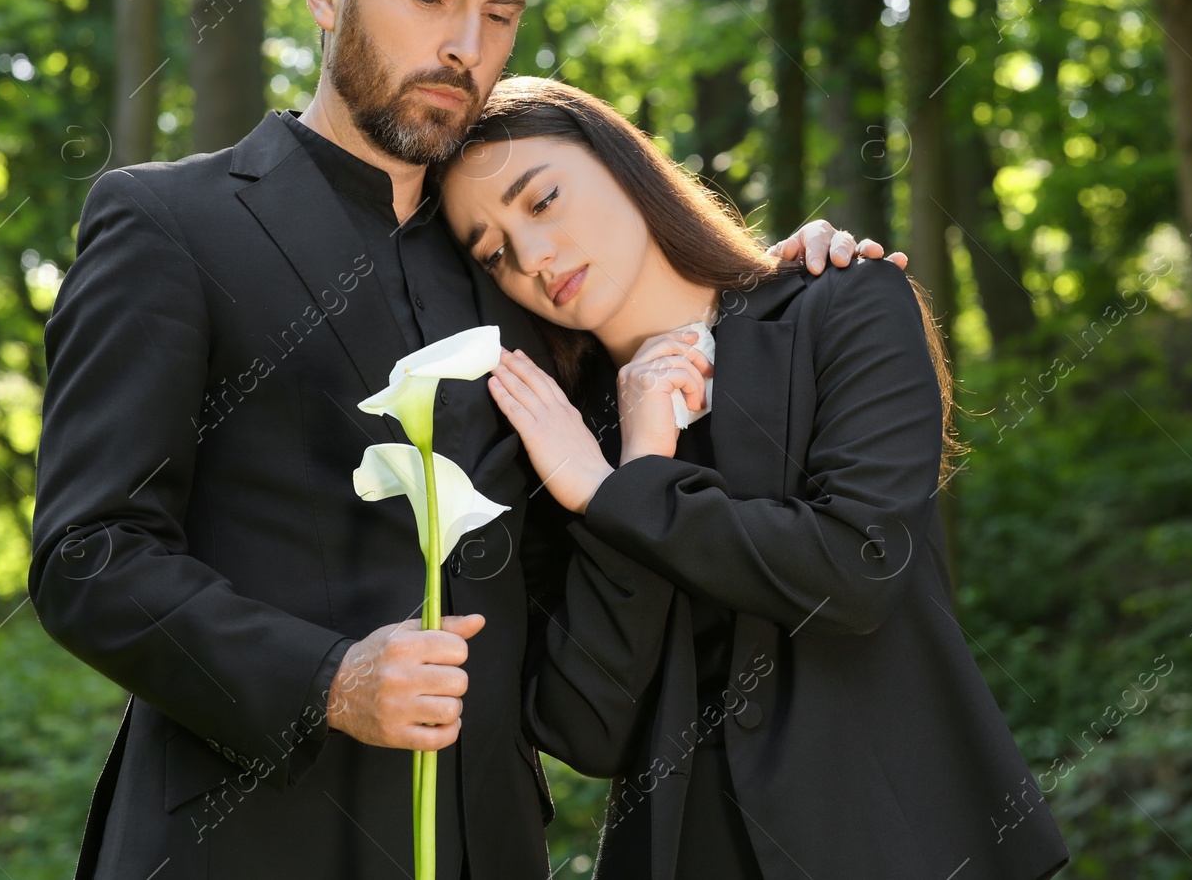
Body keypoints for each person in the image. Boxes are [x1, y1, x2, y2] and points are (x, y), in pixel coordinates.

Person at [28, 0, 884, 880]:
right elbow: (88, 553)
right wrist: (328, 678)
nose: (464, 46)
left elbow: (583, 681)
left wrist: (781, 289)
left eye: (498, 15)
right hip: (240, 841)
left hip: (489, 843)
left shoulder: (521, 276)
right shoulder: (170, 221)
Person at [433, 77, 1072, 880]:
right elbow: (584, 727)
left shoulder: (842, 305)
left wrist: (619, 492)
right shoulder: (552, 436)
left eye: (542, 200)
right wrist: (622, 465)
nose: (532, 257)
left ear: (621, 160)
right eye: (494, 251)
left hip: (903, 845)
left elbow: (858, 569)